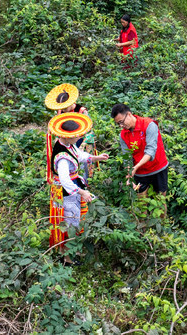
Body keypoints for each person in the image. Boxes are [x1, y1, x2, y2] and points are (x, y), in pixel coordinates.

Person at [46, 112, 109, 262]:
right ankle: (67, 257)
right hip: (66, 192)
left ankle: (73, 250)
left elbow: (79, 155)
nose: (78, 137)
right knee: (70, 221)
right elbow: (65, 180)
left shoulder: (68, 145)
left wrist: (96, 158)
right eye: (76, 136)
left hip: (72, 187)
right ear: (67, 137)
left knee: (76, 217)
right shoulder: (62, 158)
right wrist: (82, 192)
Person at [111, 103, 168, 196]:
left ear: (129, 114)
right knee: (141, 199)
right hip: (140, 172)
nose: (121, 125)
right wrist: (129, 175)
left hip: (158, 168)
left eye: (122, 122)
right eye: (118, 124)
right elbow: (127, 157)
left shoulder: (149, 125)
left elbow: (150, 151)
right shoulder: (123, 135)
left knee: (161, 198)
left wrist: (135, 167)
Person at [45, 83, 96, 171]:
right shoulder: (61, 112)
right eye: (62, 108)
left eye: (65, 107)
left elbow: (89, 131)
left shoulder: (81, 111)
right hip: (67, 141)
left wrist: (82, 145)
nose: (63, 110)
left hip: (81, 141)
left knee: (84, 165)